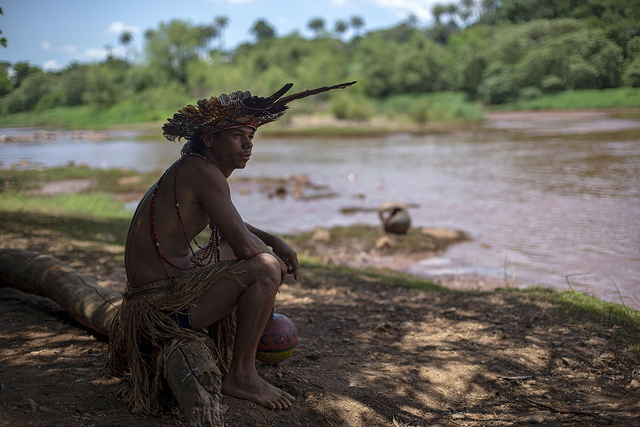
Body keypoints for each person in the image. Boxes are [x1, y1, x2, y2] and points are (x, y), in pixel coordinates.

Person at [106, 82, 355, 415]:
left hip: (159, 296)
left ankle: (235, 350)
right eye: (238, 136)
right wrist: (273, 260)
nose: (248, 144)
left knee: (239, 251)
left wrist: (274, 239)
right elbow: (245, 245)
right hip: (159, 311)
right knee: (266, 268)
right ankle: (241, 375)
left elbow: (227, 223)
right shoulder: (204, 173)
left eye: (251, 136)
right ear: (210, 139)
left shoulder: (194, 168)